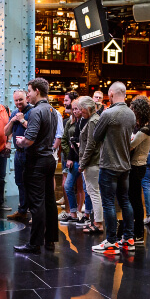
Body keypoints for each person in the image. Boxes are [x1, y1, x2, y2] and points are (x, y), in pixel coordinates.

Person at [82, 82, 135, 255]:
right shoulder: (130, 114)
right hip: (125, 165)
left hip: (109, 164)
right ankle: (129, 239)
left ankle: (111, 242)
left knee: (108, 203)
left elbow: (96, 136)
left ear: (111, 94)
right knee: (125, 201)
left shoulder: (109, 113)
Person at [14, 78, 59, 254]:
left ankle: (34, 243)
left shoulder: (35, 111)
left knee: (37, 203)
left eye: (29, 91)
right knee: (50, 202)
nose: (28, 94)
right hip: (49, 159)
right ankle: (50, 240)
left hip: (37, 161)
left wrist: (21, 142)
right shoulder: (52, 110)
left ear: (37, 91)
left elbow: (30, 138)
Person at [128, 96, 150, 241]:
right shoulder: (144, 127)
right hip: (138, 166)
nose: (131, 112)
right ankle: (136, 232)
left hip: (137, 166)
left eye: (133, 109)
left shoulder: (145, 129)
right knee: (134, 199)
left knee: (135, 200)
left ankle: (138, 234)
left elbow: (130, 146)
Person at [77, 96, 103, 234]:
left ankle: (98, 223)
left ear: (87, 108)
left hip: (92, 163)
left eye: (81, 109)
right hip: (93, 162)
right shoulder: (95, 119)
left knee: (94, 193)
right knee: (94, 192)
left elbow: (90, 145)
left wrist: (82, 163)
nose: (80, 112)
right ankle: (96, 222)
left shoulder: (93, 121)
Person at [6, 89, 33, 223]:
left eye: (20, 100)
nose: (18, 103)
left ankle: (33, 213)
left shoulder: (32, 111)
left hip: (30, 153)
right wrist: (12, 121)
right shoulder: (15, 112)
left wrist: (22, 121)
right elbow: (6, 132)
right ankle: (22, 211)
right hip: (18, 153)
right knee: (19, 182)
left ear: (26, 98)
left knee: (30, 184)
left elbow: (35, 131)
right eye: (16, 100)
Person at [59, 96, 82, 224]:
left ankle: (81, 213)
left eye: (76, 109)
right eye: (73, 109)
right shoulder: (70, 122)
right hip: (72, 158)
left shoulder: (86, 121)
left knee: (82, 188)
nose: (74, 111)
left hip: (83, 159)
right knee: (67, 185)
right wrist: (70, 156)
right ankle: (72, 212)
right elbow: (65, 139)